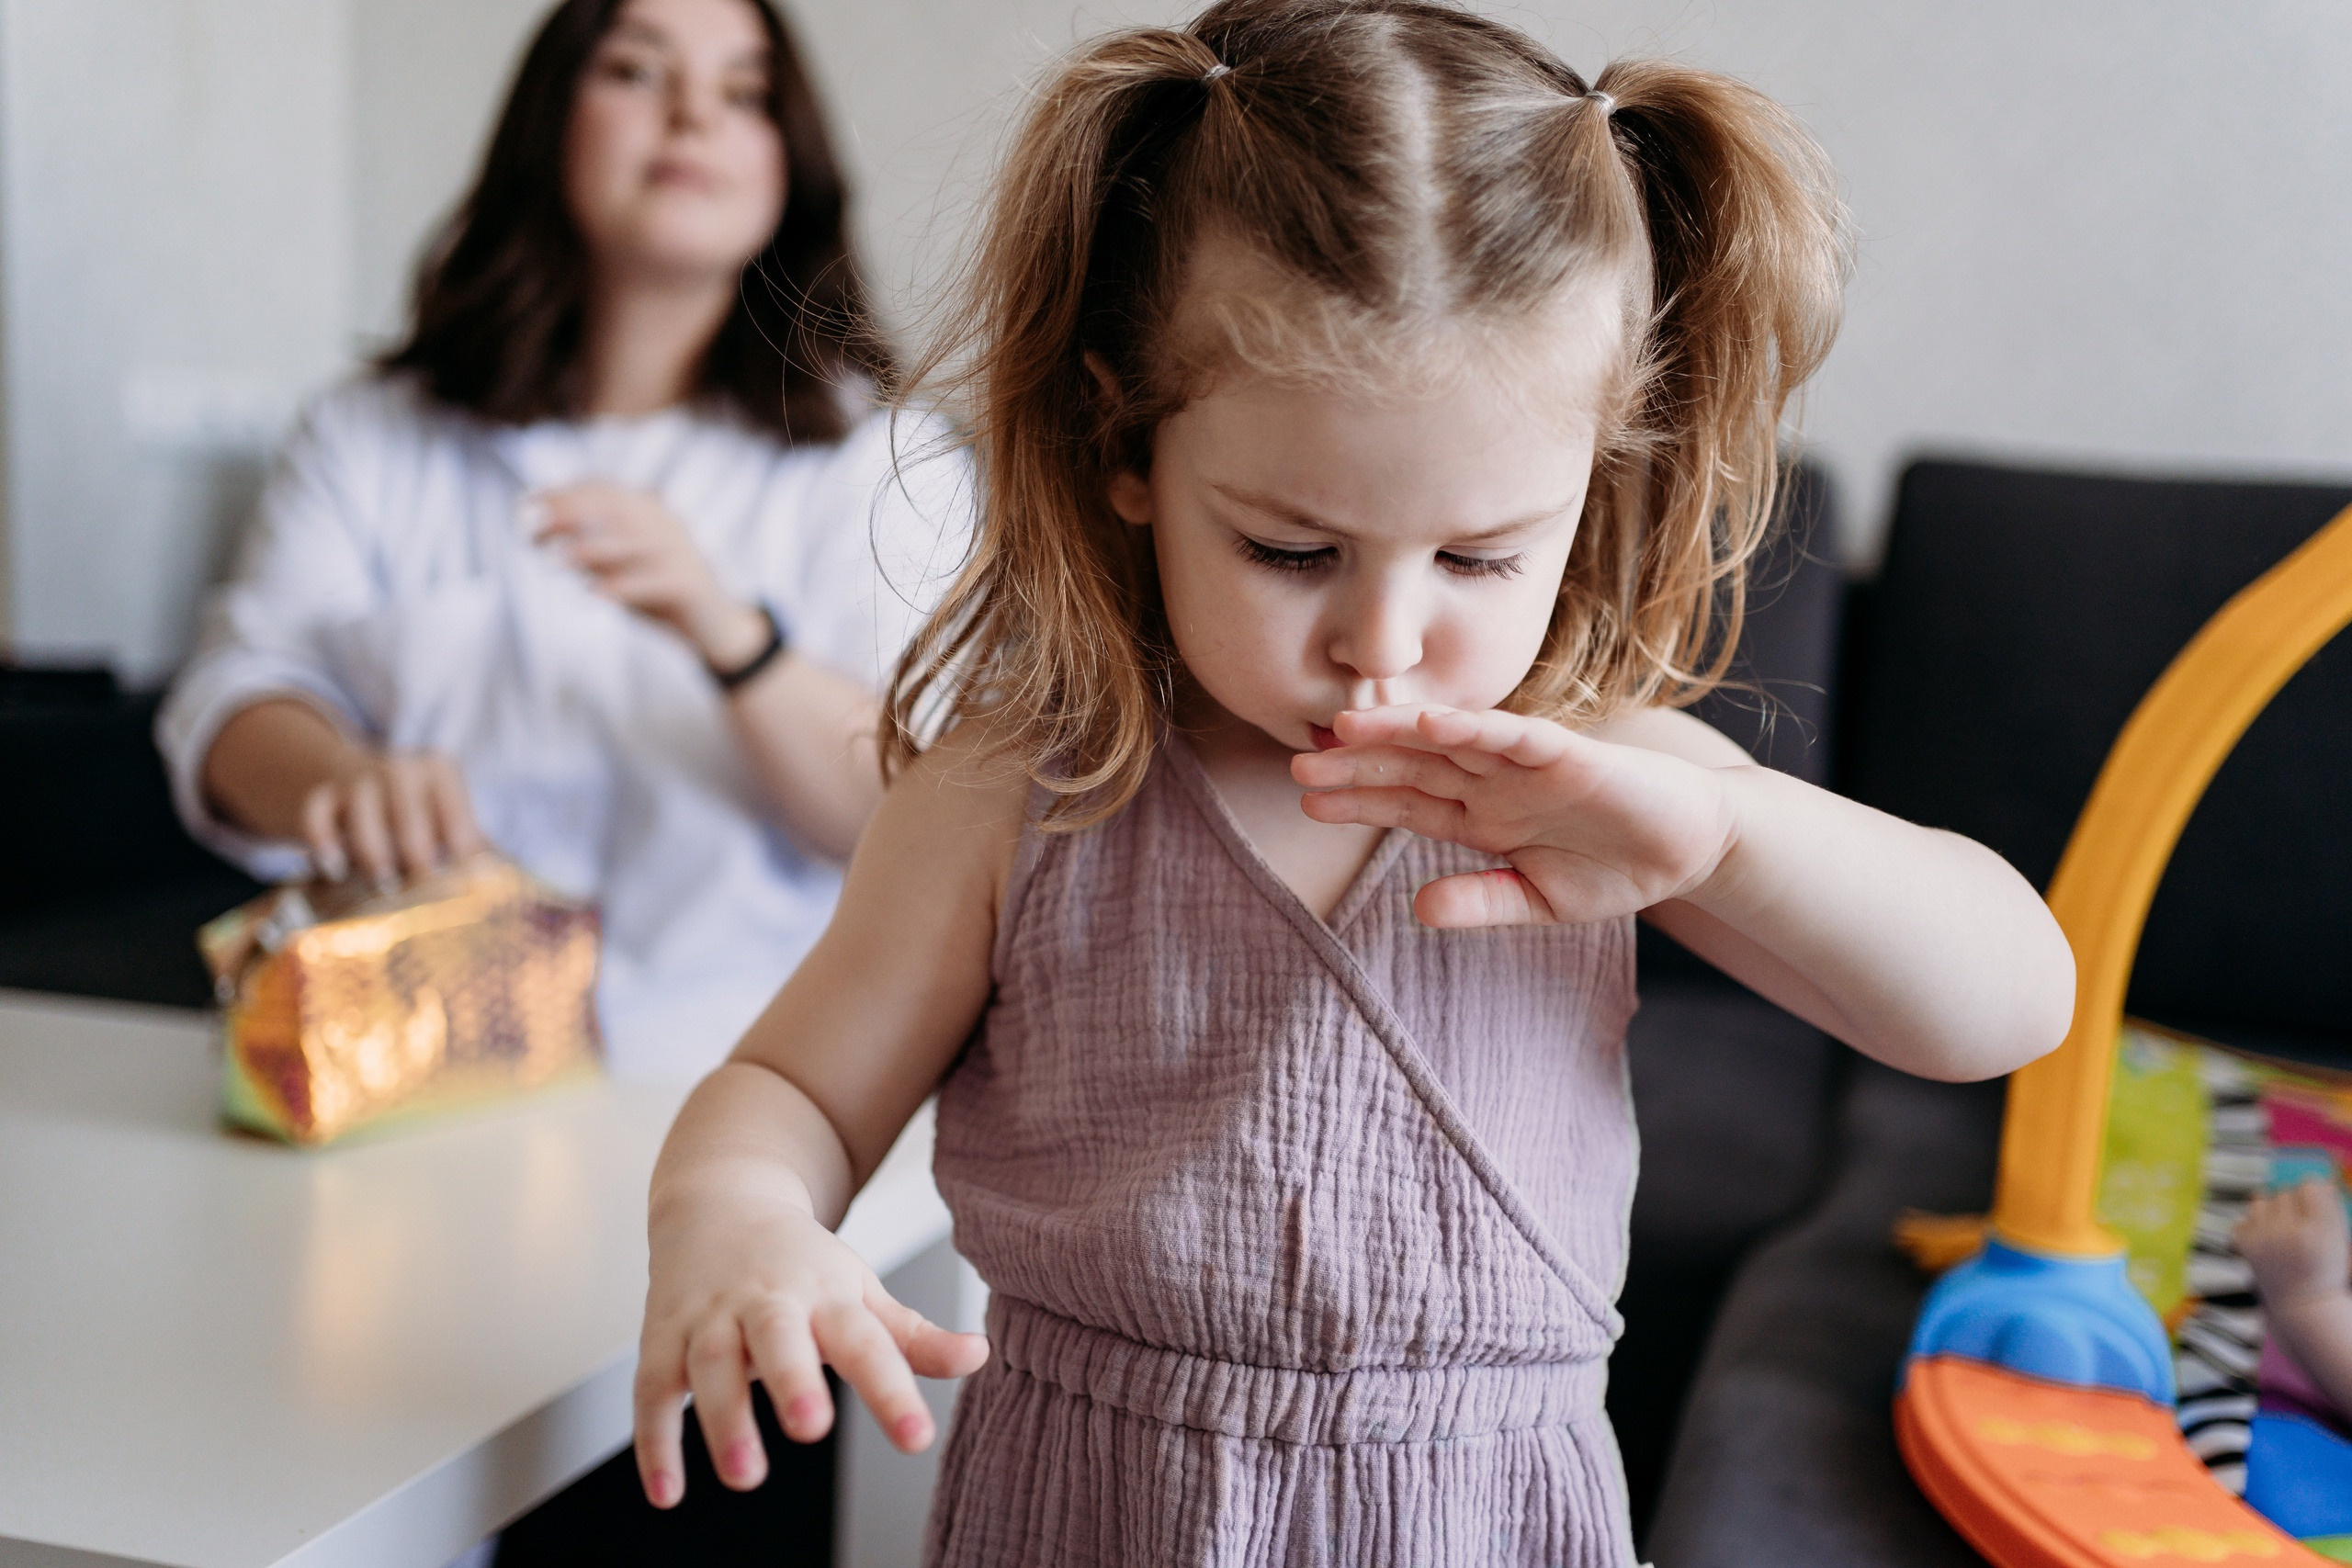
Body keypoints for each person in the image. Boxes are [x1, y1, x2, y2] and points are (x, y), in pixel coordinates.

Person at [631, 2, 2077, 1562]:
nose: (1381, 639)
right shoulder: (1020, 788)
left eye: (1478, 555)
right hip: (1096, 1514)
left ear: (1587, 499)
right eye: (1292, 550)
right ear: (1128, 447)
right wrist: (741, 1220)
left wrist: (1725, 838)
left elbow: (2008, 1002)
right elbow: (788, 1092)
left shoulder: (1611, 777)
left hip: (1482, 1515)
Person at [158, 0, 966, 1082]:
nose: (690, 118)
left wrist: (732, 638)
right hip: (416, 1073)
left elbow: (919, 818)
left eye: (741, 94)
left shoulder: (881, 462)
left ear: (789, 162)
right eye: (637, 73)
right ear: (549, 120)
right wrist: (342, 778)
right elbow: (232, 701)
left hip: (762, 1095)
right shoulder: (372, 436)